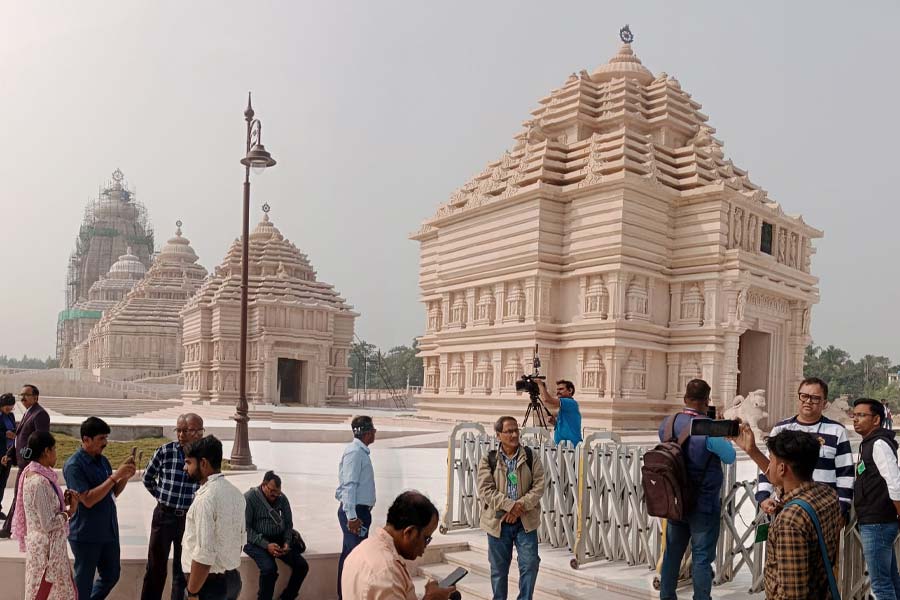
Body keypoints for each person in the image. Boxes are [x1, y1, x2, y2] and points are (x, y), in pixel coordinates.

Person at [738, 427, 842, 599]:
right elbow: (781, 481)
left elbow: (793, 594)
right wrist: (752, 451)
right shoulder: (827, 494)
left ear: (782, 469)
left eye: (771, 460)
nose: (769, 465)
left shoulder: (790, 520)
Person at [656, 379, 736, 600]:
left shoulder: (668, 423)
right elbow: (729, 457)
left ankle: (667, 596)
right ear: (707, 400)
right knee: (701, 557)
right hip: (703, 503)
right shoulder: (707, 428)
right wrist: (719, 429)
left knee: (672, 552)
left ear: (685, 399)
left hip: (675, 499)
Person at [750, 377, 853, 520]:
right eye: (804, 396)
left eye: (815, 398)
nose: (808, 401)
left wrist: (842, 509)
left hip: (824, 511)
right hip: (787, 509)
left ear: (824, 403)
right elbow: (769, 466)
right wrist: (763, 496)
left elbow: (845, 474)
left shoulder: (837, 431)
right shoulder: (781, 429)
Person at [64, 416, 135, 600]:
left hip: (108, 531)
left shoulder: (102, 461)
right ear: (86, 439)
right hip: (86, 534)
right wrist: (114, 477)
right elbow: (87, 499)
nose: (105, 443)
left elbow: (112, 493)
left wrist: (124, 476)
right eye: (101, 439)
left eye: (106, 438)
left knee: (111, 575)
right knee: (83, 585)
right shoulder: (74, 466)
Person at [477, 415, 545, 600]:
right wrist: (509, 506)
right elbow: (485, 490)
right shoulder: (488, 459)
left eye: (516, 430)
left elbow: (539, 486)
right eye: (509, 431)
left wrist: (519, 507)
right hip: (498, 522)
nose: (514, 435)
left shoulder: (530, 456)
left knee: (530, 563)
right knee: (499, 569)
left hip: (525, 521)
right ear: (498, 435)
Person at [341, 491, 456, 600]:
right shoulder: (387, 573)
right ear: (409, 532)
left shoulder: (361, 550)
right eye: (426, 538)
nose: (425, 547)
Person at [140, 413, 204, 600]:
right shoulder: (165, 451)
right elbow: (147, 478)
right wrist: (161, 497)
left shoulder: (203, 458)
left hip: (189, 520)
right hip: (164, 517)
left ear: (200, 432)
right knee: (155, 569)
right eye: (179, 430)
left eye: (187, 430)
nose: (181, 435)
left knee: (182, 570)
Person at [12, 431, 80, 600]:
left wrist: (60, 502)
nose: (56, 453)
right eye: (54, 449)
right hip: (46, 552)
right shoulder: (39, 481)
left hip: (43, 548)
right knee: (47, 594)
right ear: (46, 451)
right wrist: (69, 512)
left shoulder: (32, 473)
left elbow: (44, 510)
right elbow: (48, 524)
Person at [182, 435, 246, 600]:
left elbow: (204, 554)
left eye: (189, 462)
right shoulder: (236, 493)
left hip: (207, 587)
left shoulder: (206, 499)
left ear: (203, 463)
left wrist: (192, 593)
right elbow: (239, 542)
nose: (184, 467)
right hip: (232, 581)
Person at [850, 398, 900, 599]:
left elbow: (895, 482)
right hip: (875, 521)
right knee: (891, 579)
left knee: (880, 585)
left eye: (862, 415)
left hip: (878, 523)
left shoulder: (878, 444)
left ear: (877, 419)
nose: (856, 420)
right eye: (854, 415)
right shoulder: (868, 443)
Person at [244, 471, 309, 600]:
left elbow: (288, 524)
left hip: (278, 539)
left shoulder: (282, 498)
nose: (275, 495)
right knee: (269, 570)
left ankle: (287, 597)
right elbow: (245, 529)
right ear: (264, 485)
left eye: (278, 492)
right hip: (255, 541)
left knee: (302, 566)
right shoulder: (249, 498)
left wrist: (286, 542)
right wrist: (266, 545)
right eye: (272, 491)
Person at [0, 384, 50, 539]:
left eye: (26, 395)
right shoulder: (29, 412)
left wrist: (27, 458)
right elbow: (20, 438)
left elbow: (39, 441)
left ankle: (8, 529)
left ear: (36, 397)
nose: (22, 398)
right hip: (24, 462)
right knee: (20, 496)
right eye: (21, 395)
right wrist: (10, 454)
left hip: (30, 465)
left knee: (19, 495)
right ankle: (13, 528)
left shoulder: (40, 414)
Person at [336, 415, 377, 600]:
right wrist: (351, 516)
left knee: (350, 556)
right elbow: (349, 485)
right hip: (355, 514)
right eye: (373, 430)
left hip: (359, 512)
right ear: (367, 433)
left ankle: (345, 595)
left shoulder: (360, 452)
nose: (375, 433)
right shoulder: (355, 453)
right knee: (355, 559)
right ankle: (348, 595)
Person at [537, 379, 583, 446]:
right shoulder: (564, 407)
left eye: (561, 389)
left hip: (571, 448)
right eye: (557, 390)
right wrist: (555, 423)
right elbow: (567, 427)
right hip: (562, 447)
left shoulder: (570, 403)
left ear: (570, 390)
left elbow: (546, 399)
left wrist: (540, 384)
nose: (558, 392)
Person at [0, 392, 17, 519]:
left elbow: (15, 428)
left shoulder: (10, 415)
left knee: (2, 483)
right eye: (7, 406)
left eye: (11, 406)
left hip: (8, 453)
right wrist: (5, 434)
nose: (9, 408)